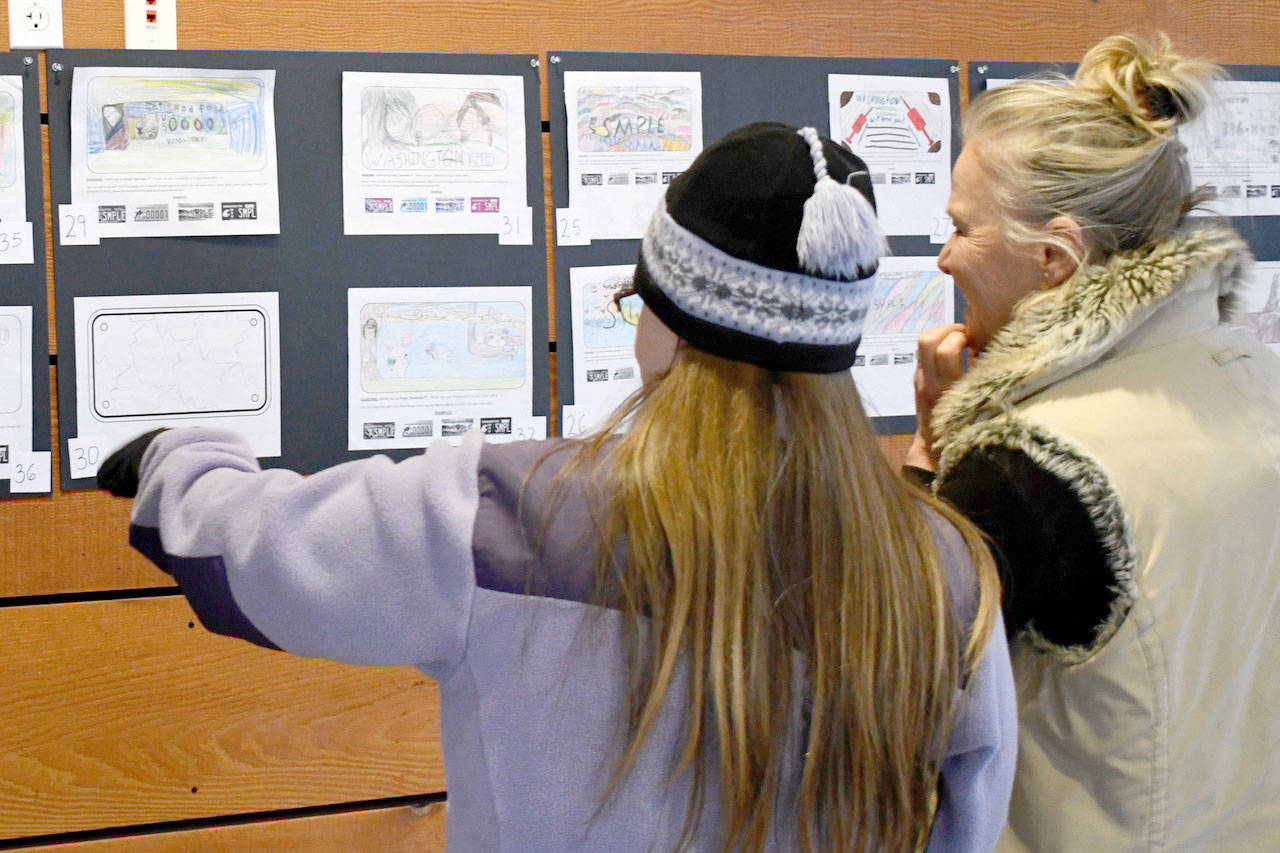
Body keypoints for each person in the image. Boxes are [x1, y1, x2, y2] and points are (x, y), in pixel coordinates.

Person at [100, 122, 1015, 851]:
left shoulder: (508, 511)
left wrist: (177, 463)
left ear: (673, 323)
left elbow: (264, 557)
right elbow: (966, 814)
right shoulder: (942, 569)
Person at [906, 34, 1280, 850]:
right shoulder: (1261, 375)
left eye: (962, 228)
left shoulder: (1029, 468)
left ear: (1056, 258)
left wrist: (932, 463)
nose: (944, 255)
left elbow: (896, 682)